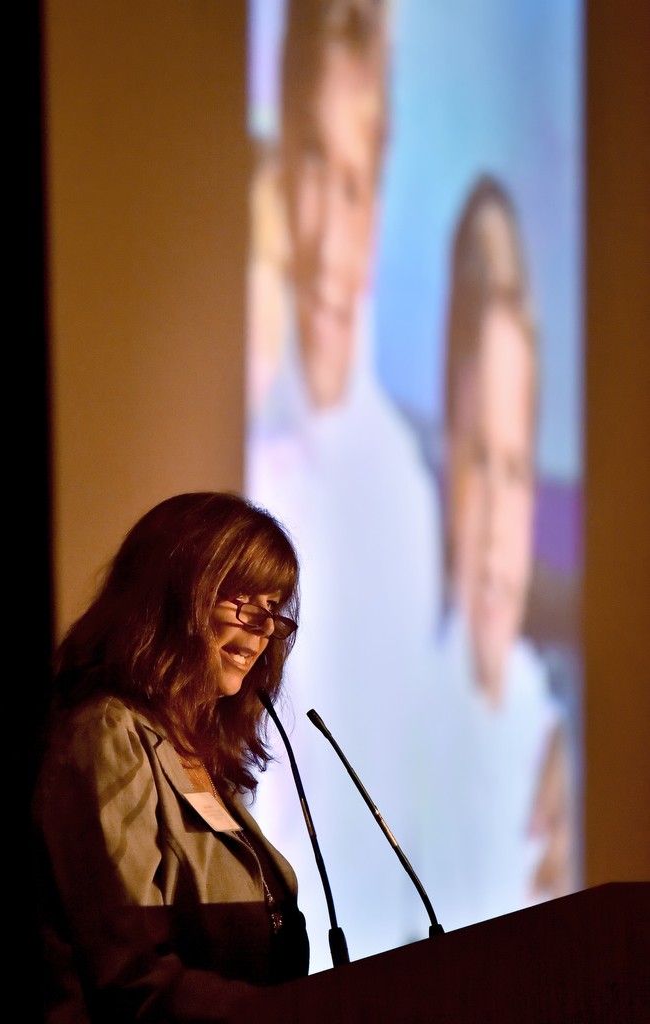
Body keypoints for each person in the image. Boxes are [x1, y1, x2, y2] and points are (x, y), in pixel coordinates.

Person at [246, 0, 443, 969]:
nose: (328, 228)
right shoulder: (242, 421)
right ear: (278, 174)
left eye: (356, 185)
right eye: (310, 169)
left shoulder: (408, 498)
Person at [31, 491, 310, 1023]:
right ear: (171, 590)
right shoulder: (108, 733)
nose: (262, 628)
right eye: (240, 596)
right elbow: (128, 975)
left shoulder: (199, 759)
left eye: (273, 606)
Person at [416, 175, 577, 933]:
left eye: (515, 470)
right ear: (447, 461)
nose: (495, 529)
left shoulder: (554, 724)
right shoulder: (402, 720)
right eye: (479, 461)